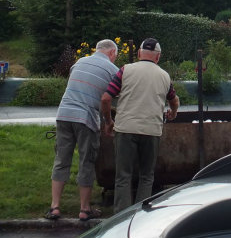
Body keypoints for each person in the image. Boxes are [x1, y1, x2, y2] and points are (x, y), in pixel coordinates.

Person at [100, 38, 179, 213]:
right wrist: (173, 113)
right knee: (146, 176)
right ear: (158, 57)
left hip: (125, 129)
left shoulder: (125, 70)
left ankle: (121, 216)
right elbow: (174, 100)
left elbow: (106, 98)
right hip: (151, 131)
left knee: (123, 176)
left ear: (138, 54)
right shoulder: (164, 76)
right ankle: (140, 216)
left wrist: (108, 122)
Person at [46, 39, 119, 221]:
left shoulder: (79, 62)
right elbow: (111, 97)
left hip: (64, 114)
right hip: (85, 118)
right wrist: (109, 120)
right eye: (115, 56)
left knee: (62, 160)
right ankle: (84, 209)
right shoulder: (113, 70)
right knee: (87, 161)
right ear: (111, 53)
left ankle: (54, 207)